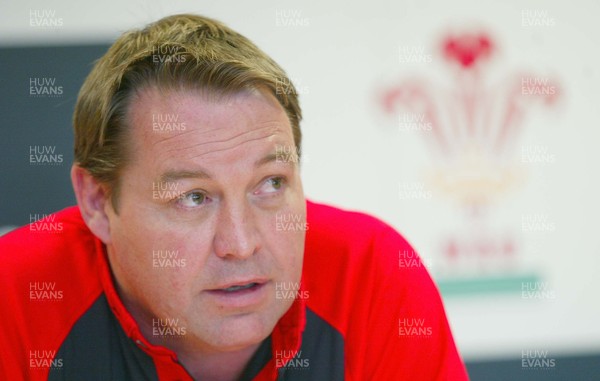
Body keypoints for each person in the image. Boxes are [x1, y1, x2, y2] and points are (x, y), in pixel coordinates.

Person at [0, 14, 469, 381]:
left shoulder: (368, 273)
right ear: (98, 203)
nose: (241, 244)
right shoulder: (14, 298)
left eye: (270, 184)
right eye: (193, 197)